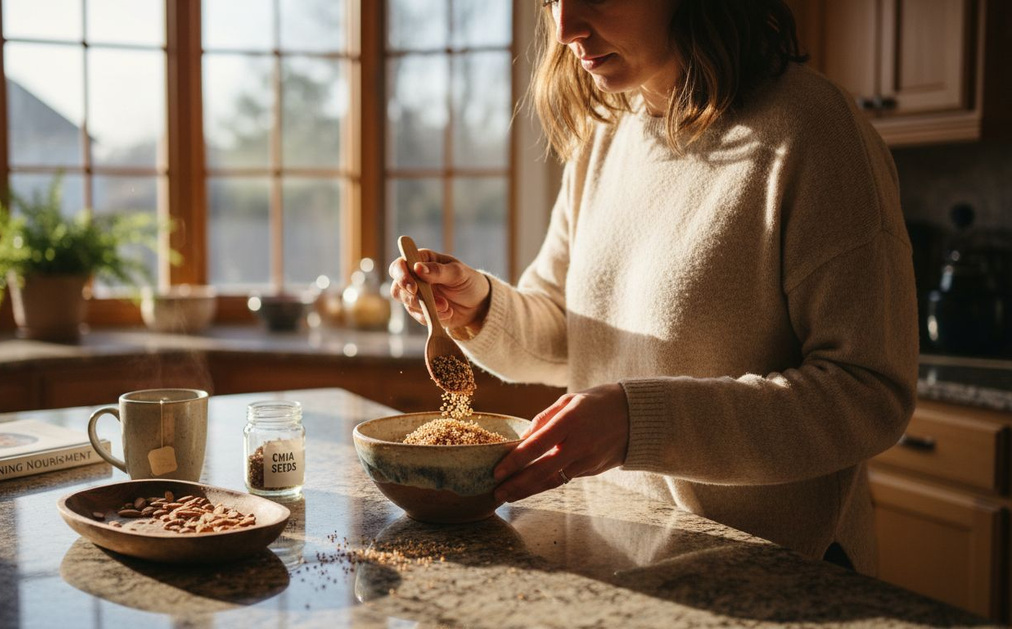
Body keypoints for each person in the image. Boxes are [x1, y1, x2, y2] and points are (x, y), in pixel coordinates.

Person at [388, 0, 916, 575]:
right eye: (549, 2)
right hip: (620, 551)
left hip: (773, 572)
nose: (565, 29)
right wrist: (480, 306)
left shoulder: (813, 131)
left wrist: (641, 423)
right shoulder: (605, 136)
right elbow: (569, 327)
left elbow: (868, 393)